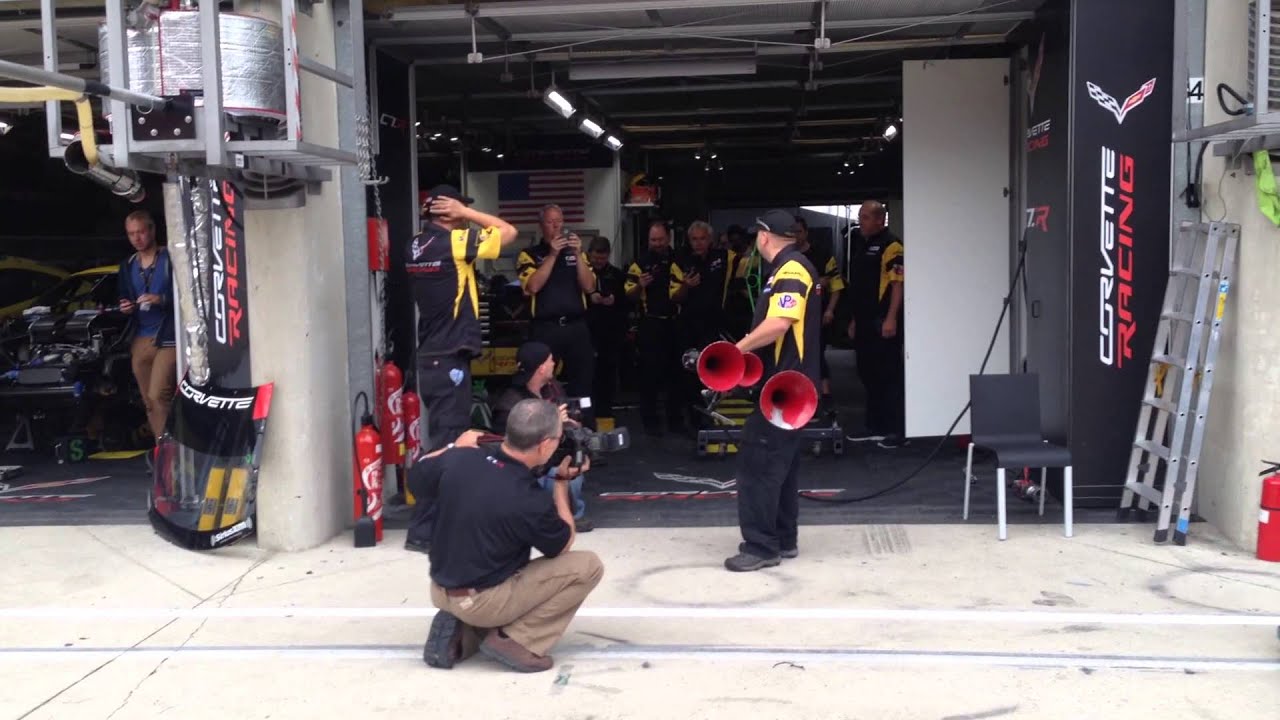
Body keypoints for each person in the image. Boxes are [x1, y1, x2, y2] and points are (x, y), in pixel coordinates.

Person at [414, 398, 603, 673]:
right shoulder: (528, 499)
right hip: (482, 600)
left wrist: (454, 446)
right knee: (587, 566)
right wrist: (561, 484)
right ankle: (516, 640)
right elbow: (562, 544)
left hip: (441, 588)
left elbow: (417, 475)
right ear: (545, 445)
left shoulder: (458, 460)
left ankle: (461, 636)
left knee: (496, 568)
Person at [404, 184, 519, 552]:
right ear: (445, 212)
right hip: (449, 356)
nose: (466, 214)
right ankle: (423, 531)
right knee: (448, 446)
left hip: (433, 357)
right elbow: (508, 233)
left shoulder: (414, 245)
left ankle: (432, 526)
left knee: (442, 442)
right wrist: (467, 215)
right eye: (459, 208)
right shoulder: (450, 243)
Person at [721, 210, 822, 573]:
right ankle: (783, 538)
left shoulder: (791, 270)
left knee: (757, 464)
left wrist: (738, 349)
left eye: (756, 237)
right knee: (783, 465)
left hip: (786, 386)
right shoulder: (790, 268)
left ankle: (761, 547)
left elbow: (780, 323)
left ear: (765, 237)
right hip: (791, 387)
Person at [491, 341, 593, 532]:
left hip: (553, 456)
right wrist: (553, 422)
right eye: (550, 360)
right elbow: (514, 443)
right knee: (556, 475)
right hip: (529, 465)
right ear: (541, 368)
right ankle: (554, 514)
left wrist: (572, 424)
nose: (554, 363)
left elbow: (569, 421)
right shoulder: (511, 401)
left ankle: (572, 511)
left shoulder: (553, 389)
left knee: (574, 460)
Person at [516, 205, 598, 426]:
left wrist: (578, 255)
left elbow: (590, 287)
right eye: (551, 222)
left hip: (575, 327)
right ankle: (543, 433)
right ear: (542, 225)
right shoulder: (530, 254)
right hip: (546, 328)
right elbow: (533, 286)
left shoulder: (576, 253)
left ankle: (588, 436)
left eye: (559, 221)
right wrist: (552, 255)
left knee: (584, 384)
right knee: (542, 382)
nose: (557, 226)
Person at [845, 201, 906, 448]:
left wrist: (891, 317)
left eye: (867, 217)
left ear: (881, 219)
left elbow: (898, 284)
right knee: (867, 372)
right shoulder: (863, 244)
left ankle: (896, 430)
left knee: (888, 375)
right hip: (864, 321)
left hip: (883, 321)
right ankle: (874, 426)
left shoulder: (892, 245)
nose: (862, 221)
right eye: (860, 216)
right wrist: (853, 319)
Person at [116, 210, 177, 440]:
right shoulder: (128, 264)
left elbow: (189, 295)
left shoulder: (170, 258)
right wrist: (125, 307)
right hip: (140, 336)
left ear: (152, 230)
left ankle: (170, 452)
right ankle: (163, 447)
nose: (137, 238)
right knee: (149, 401)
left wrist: (161, 299)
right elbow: (123, 295)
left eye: (141, 232)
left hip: (168, 335)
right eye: (131, 234)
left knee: (158, 394)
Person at [624, 220, 685, 436]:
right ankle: (650, 423)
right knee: (649, 375)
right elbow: (628, 294)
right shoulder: (639, 263)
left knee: (676, 374)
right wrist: (640, 285)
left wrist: (686, 285)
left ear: (668, 238)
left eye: (660, 239)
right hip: (650, 324)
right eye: (653, 240)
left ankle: (676, 421)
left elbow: (684, 293)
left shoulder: (680, 258)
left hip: (675, 323)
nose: (657, 243)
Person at [793, 216, 845, 404]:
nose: (795, 236)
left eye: (798, 231)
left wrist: (830, 311)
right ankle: (798, 394)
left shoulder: (823, 255)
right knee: (795, 356)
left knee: (816, 353)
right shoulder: (784, 257)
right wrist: (816, 282)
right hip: (792, 316)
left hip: (818, 315)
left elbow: (836, 286)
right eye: (791, 232)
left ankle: (825, 394)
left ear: (806, 232)